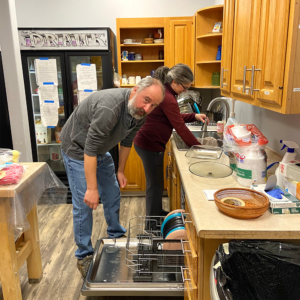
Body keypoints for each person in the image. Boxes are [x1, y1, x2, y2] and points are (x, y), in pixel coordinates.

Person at [60, 77, 164, 278]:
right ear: (135, 91)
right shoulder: (110, 108)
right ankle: (84, 255)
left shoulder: (139, 112)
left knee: (113, 193)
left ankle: (116, 234)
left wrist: (121, 170)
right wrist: (91, 189)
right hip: (77, 149)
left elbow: (127, 140)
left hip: (99, 150)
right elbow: (89, 149)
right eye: (147, 100)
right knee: (84, 205)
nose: (148, 108)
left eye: (154, 105)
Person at [133, 64, 208, 229]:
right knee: (155, 186)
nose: (185, 91)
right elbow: (180, 127)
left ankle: (157, 213)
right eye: (184, 87)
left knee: (157, 184)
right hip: (150, 144)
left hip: (148, 143)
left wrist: (194, 115)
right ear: (174, 81)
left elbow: (174, 116)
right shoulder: (167, 96)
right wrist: (200, 148)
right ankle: (151, 226)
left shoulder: (166, 93)